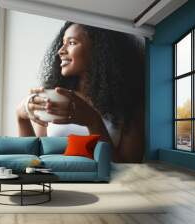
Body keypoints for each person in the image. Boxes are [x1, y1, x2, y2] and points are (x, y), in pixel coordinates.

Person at [16, 22, 145, 163]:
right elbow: (35, 160)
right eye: (62, 43)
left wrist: (93, 121)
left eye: (71, 42)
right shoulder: (54, 98)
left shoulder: (127, 103)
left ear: (98, 50)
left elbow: (130, 167)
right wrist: (21, 117)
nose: (61, 51)